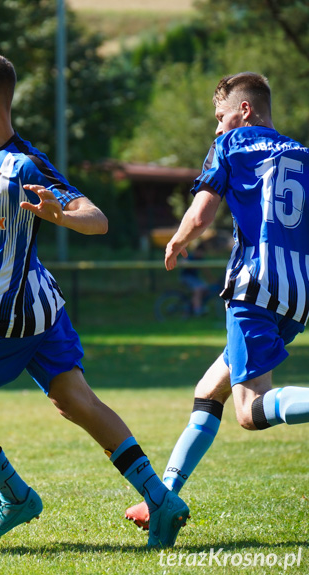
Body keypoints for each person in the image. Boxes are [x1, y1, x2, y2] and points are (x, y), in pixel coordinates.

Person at [0, 47, 189, 548]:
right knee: (76, 399)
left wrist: (59, 214)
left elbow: (97, 218)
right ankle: (162, 501)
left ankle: (16, 497)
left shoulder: (25, 165)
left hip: (11, 315)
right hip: (45, 305)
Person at [125, 72, 309, 529]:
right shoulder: (303, 155)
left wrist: (179, 241)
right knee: (209, 391)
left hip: (254, 286)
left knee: (248, 410)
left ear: (244, 111)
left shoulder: (232, 145)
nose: (217, 127)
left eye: (220, 116)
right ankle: (163, 501)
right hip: (299, 292)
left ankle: (162, 501)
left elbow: (203, 210)